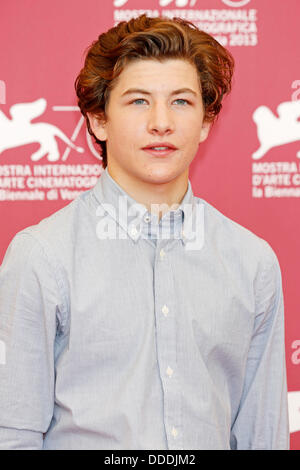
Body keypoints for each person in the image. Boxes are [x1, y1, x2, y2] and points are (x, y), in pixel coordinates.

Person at [0, 14, 289, 450]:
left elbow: (262, 434)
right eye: (138, 101)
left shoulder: (253, 262)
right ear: (98, 121)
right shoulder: (42, 255)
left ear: (207, 121)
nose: (161, 122)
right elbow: (12, 431)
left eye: (182, 102)